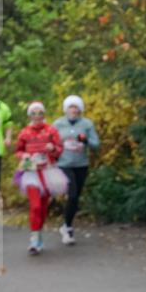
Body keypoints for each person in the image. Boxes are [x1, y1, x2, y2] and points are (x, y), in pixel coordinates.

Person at [13, 101, 65, 254]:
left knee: (42, 207)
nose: (37, 116)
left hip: (48, 172)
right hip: (31, 173)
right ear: (29, 115)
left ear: (44, 115)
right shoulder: (24, 132)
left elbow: (60, 150)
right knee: (35, 206)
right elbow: (18, 151)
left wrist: (53, 148)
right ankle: (34, 239)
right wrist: (25, 155)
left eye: (40, 113)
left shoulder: (51, 130)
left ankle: (38, 232)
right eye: (34, 113)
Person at [53, 95, 100, 245]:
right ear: (66, 109)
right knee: (72, 194)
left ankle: (67, 224)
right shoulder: (58, 124)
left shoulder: (86, 124)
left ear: (80, 109)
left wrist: (85, 140)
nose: (73, 110)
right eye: (70, 107)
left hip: (81, 164)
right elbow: (49, 141)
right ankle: (67, 228)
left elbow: (96, 144)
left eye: (76, 107)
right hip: (63, 164)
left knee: (75, 197)